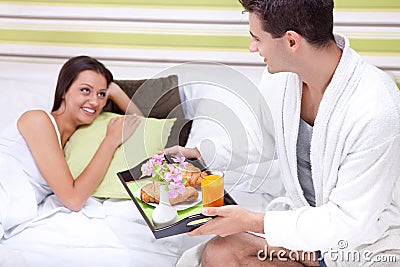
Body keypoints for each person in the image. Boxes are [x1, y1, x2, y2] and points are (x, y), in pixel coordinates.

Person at [167, 0, 400, 266]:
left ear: (291, 41)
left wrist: (252, 221)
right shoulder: (280, 78)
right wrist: (198, 153)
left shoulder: (377, 109)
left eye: (257, 38)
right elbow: (262, 138)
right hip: (306, 239)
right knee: (219, 252)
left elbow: (349, 221)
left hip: (359, 247)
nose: (252, 48)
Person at [0, 55, 142, 239]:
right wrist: (111, 140)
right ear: (64, 91)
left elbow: (140, 123)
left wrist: (115, 91)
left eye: (101, 94)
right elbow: (74, 200)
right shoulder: (38, 120)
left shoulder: (76, 140)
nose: (95, 102)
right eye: (85, 90)